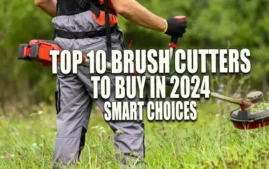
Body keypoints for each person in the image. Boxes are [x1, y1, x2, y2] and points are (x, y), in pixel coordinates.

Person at [34, 0, 187, 168]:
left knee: (70, 123)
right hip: (100, 44)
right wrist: (166, 26)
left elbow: (41, 1)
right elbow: (124, 5)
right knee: (126, 120)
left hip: (63, 45)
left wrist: (73, 22)